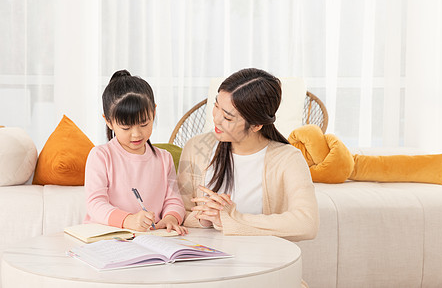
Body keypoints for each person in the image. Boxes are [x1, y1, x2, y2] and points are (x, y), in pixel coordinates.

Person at [178, 68, 319, 242]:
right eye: (216, 106)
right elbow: (180, 211)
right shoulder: (196, 148)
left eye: (228, 118)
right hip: (206, 260)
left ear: (256, 125)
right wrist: (205, 218)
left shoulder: (288, 159)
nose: (216, 119)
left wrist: (231, 218)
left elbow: (307, 224)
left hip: (261, 260)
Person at [84, 70, 187, 235]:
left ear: (154, 113)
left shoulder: (164, 159)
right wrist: (128, 220)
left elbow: (173, 199)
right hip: (106, 237)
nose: (136, 134)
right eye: (126, 127)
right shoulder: (101, 156)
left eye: (144, 123)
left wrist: (171, 218)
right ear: (108, 121)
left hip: (149, 238)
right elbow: (95, 204)